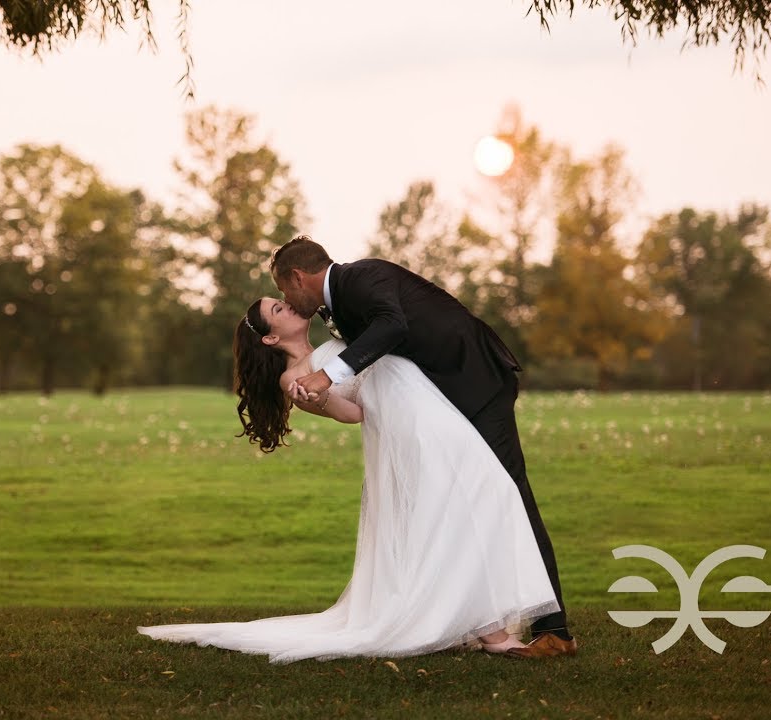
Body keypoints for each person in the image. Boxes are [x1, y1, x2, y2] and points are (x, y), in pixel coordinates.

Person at [136, 297, 560, 663]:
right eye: (277, 308)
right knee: (466, 507)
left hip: (430, 410)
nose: (286, 305)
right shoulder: (294, 377)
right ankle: (491, 633)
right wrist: (321, 397)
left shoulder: (331, 333)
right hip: (407, 431)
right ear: (269, 337)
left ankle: (474, 620)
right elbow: (353, 413)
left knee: (485, 498)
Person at [270, 235, 577, 659]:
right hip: (444, 400)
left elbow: (393, 326)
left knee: (508, 492)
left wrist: (326, 377)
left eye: (283, 290)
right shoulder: (336, 304)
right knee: (463, 503)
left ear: (297, 277)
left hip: (476, 383)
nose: (285, 298)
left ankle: (553, 629)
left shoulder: (360, 277)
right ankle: (477, 617)